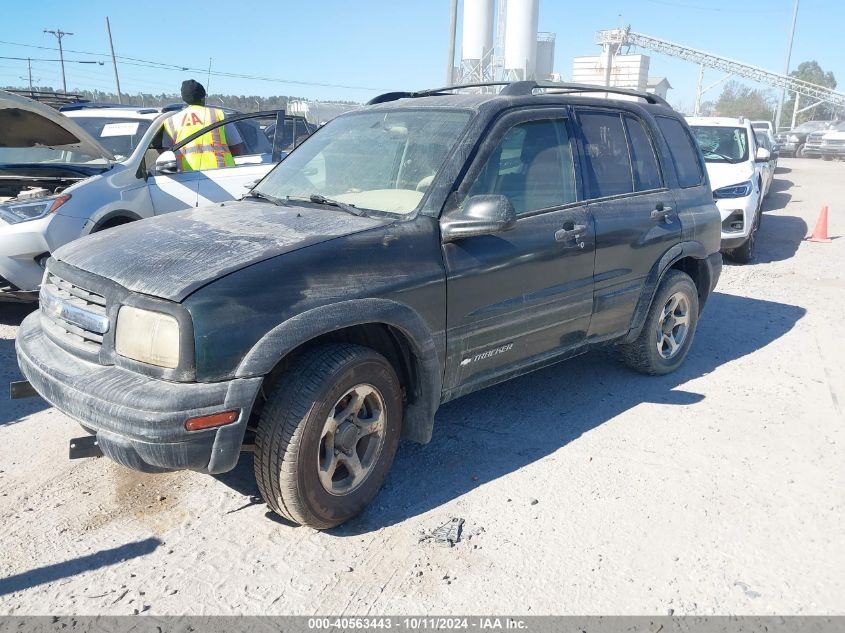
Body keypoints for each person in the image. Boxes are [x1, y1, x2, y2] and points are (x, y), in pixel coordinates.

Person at [163, 79, 244, 171]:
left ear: (184, 99)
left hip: (186, 178)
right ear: (202, 98)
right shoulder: (218, 114)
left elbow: (166, 155)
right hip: (222, 173)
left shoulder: (170, 121)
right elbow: (236, 147)